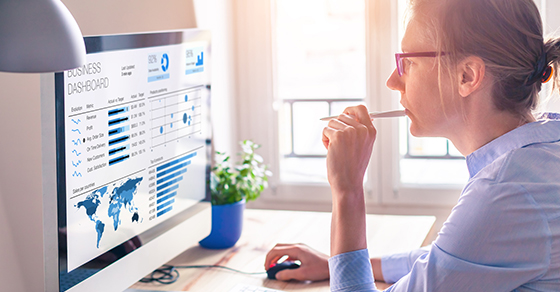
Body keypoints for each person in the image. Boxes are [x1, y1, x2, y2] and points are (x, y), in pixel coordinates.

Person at [265, 0, 560, 291]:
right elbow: (451, 260)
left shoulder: (504, 193)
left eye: (409, 62)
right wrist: (339, 264)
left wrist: (347, 190)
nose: (393, 81)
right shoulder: (540, 155)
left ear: (467, 76)